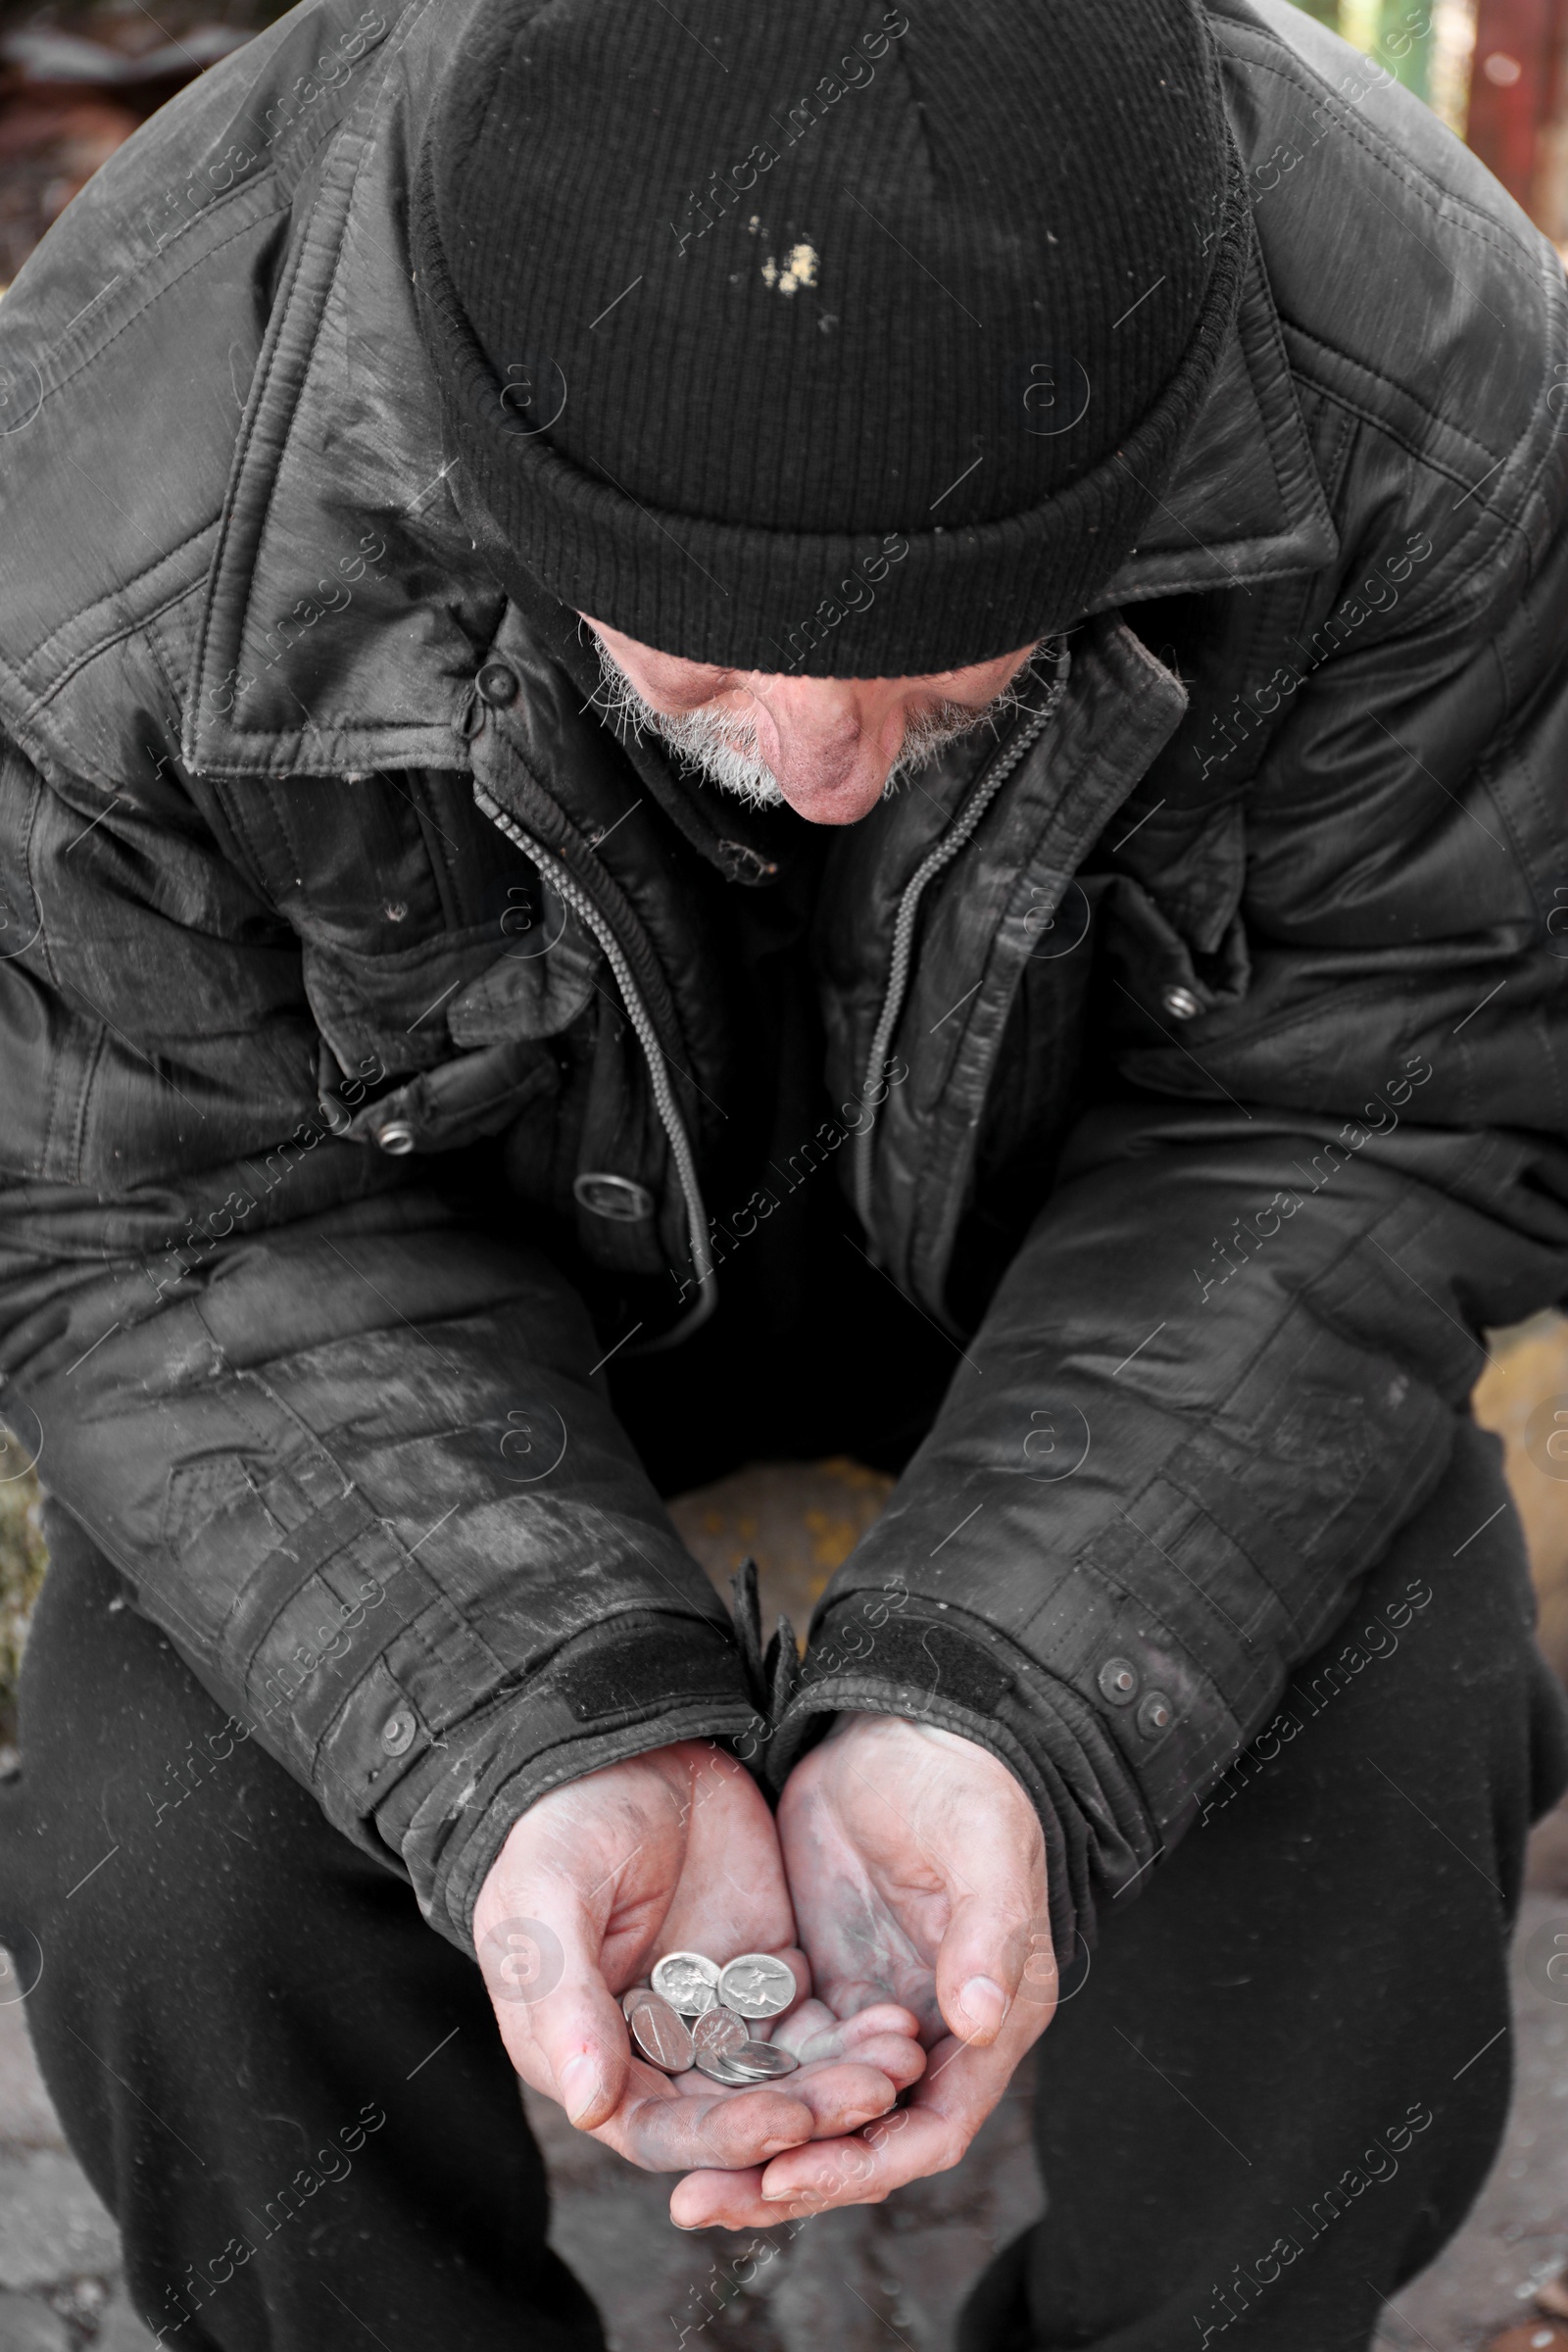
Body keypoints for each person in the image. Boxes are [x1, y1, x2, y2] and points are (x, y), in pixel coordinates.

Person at [1, 0, 1566, 2344]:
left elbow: (1375, 1103)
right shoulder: (98, 507)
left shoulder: (1426, 398)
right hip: (426, 1293)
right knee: (162, 1856)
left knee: (1402, 1690)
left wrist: (994, 1701)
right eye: (707, 676)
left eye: (952, 681)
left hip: (1089, 1264)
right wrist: (528, 1722)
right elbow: (148, 1213)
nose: (823, 775)